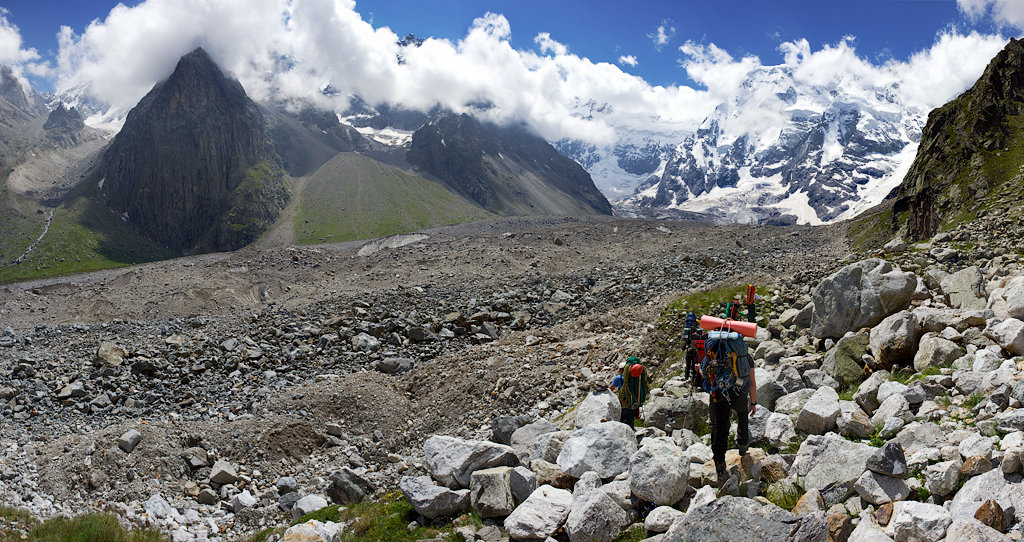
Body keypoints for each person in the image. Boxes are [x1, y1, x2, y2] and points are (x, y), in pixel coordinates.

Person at [702, 331, 757, 487]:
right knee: (742, 414)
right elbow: (751, 382)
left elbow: (704, 374)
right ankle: (742, 446)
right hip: (738, 389)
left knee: (721, 427)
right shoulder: (743, 355)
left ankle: (719, 464)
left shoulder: (712, 352)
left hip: (719, 392)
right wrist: (753, 402)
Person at [615, 356, 649, 429]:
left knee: (624, 419)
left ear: (621, 370)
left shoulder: (619, 378)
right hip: (635, 402)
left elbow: (611, 388)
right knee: (631, 419)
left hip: (625, 402)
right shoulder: (637, 378)